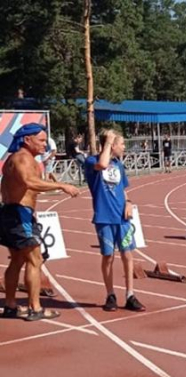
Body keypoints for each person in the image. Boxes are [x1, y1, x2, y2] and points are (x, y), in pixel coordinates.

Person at [0, 123, 79, 321]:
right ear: (27, 140)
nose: (46, 145)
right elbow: (29, 182)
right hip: (19, 215)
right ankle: (35, 308)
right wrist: (61, 185)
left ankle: (10, 305)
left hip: (13, 213)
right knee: (35, 260)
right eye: (42, 140)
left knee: (18, 260)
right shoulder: (23, 159)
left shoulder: (16, 159)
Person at [84, 129, 146, 312]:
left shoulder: (118, 164)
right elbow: (102, 164)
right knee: (108, 256)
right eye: (122, 143)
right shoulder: (92, 162)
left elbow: (122, 188)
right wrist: (108, 142)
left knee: (127, 254)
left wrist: (128, 202)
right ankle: (110, 294)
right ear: (111, 144)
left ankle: (130, 295)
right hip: (104, 218)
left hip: (122, 218)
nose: (124, 147)